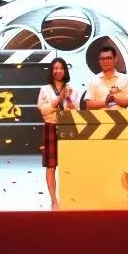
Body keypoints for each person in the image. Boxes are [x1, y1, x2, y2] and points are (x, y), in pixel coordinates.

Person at [36, 58, 76, 210]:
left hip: (68, 128)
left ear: (65, 70)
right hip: (51, 126)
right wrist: (59, 98)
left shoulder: (72, 88)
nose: (58, 71)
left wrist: (69, 100)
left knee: (69, 165)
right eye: (55, 68)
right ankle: (53, 200)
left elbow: (76, 112)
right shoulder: (45, 89)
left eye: (61, 68)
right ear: (51, 71)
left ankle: (69, 198)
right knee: (51, 166)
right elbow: (44, 111)